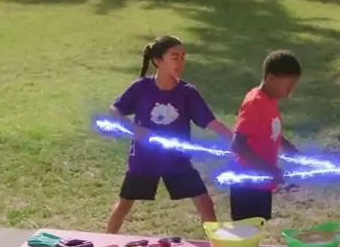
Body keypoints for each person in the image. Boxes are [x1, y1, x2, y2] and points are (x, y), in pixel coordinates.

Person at [107, 36, 234, 233]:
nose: (180, 62)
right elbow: (115, 109)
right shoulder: (141, 87)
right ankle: (108, 240)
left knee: (205, 203)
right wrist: (134, 128)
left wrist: (234, 139)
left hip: (177, 161)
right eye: (175, 57)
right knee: (124, 205)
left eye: (183, 57)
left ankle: (217, 244)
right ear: (158, 61)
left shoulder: (187, 92)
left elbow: (210, 121)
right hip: (144, 160)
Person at [228, 50, 303, 222]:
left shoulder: (270, 99)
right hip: (248, 184)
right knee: (246, 229)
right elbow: (238, 144)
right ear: (271, 78)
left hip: (262, 182)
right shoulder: (254, 103)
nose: (291, 90)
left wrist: (284, 143)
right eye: (288, 84)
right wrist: (269, 170)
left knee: (258, 226)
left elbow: (267, 128)